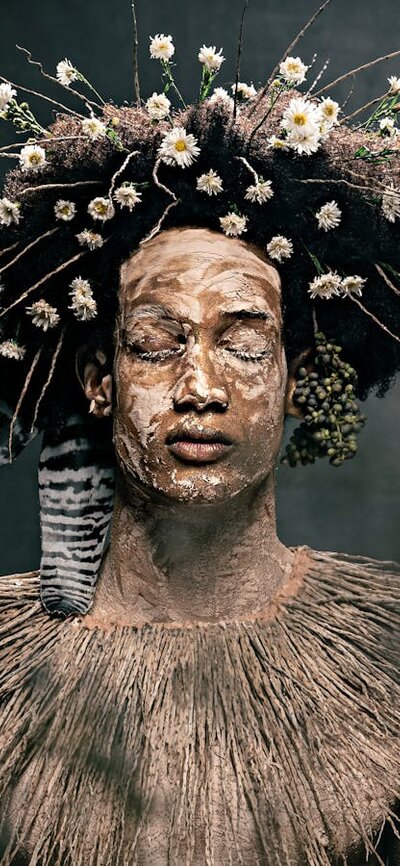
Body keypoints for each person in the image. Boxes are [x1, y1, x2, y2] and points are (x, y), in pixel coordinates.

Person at [0, 13, 400, 865]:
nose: (201, 388)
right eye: (155, 344)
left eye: (246, 344)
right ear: (98, 381)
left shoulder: (391, 661)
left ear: (294, 377)